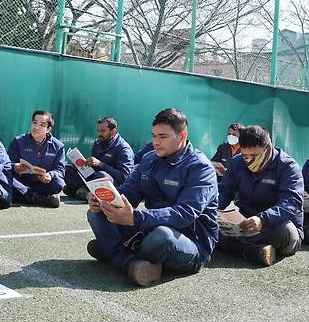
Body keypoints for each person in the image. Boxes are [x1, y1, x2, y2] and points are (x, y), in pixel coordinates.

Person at [86, 108, 218, 287]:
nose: (156, 142)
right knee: (96, 214)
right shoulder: (149, 159)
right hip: (147, 231)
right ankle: (127, 261)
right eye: (154, 136)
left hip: (190, 243)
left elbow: (184, 214)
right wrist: (105, 201)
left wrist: (135, 218)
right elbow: (128, 192)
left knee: (162, 237)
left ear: (182, 135)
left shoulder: (201, 168)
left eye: (162, 137)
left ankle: (115, 252)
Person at [218, 125, 303, 266]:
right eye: (245, 156)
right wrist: (212, 209)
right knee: (206, 221)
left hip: (275, 225)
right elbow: (224, 191)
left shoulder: (288, 166)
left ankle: (236, 246)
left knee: (286, 232)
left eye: (255, 156)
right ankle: (254, 251)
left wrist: (262, 219)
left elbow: (291, 203)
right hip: (244, 223)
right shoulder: (237, 162)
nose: (249, 160)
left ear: (268, 148)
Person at [63, 117, 134, 201]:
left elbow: (123, 177)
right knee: (66, 169)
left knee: (102, 175)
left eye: (103, 131)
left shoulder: (124, 149)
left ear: (113, 132)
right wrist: (81, 166)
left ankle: (81, 192)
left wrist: (101, 164)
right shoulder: (98, 143)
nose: (99, 134)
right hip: (95, 179)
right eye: (98, 131)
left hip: (114, 184)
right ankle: (85, 193)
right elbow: (92, 170)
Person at [7, 110, 65, 208]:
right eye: (34, 122)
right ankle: (37, 198)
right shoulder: (18, 141)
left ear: (48, 129)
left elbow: (60, 170)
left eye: (42, 125)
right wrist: (15, 167)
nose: (36, 127)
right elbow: (7, 164)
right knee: (6, 179)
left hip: (43, 185)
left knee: (58, 183)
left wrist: (50, 175)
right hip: (21, 182)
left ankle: (26, 196)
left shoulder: (58, 146)